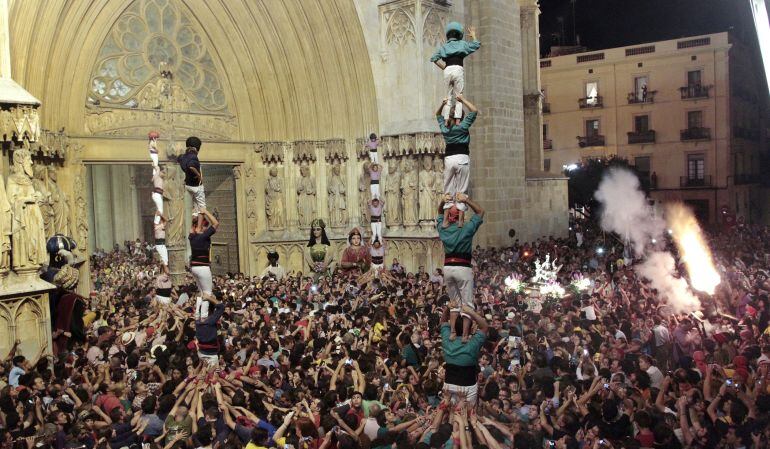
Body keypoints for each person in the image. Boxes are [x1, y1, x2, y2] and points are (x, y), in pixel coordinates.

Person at [437, 193, 484, 342]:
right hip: (463, 267)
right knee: (467, 304)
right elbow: (480, 212)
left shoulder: (443, 229)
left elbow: (439, 214)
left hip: (448, 268)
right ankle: (464, 335)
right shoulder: (466, 228)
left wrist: (442, 202)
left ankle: (452, 332)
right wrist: (466, 200)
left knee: (455, 302)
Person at [436, 94, 479, 228]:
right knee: (462, 189)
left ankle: (445, 220)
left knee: (448, 189)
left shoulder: (445, 128)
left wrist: (443, 104)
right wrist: (462, 99)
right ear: (460, 117)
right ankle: (460, 220)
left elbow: (437, 115)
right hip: (462, 158)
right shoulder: (463, 126)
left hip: (449, 159)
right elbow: (475, 110)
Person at [430, 22, 480, 122]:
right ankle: (457, 120)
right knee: (459, 95)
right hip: (458, 69)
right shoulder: (462, 44)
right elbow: (476, 45)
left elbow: (433, 59)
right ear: (459, 34)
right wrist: (473, 34)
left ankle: (446, 119)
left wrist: (444, 67)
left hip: (447, 70)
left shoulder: (444, 47)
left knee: (447, 96)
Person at [440, 305, 488, 405]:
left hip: (449, 385)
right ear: (469, 329)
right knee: (467, 416)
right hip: (467, 387)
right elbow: (484, 327)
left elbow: (443, 320)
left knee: (450, 417)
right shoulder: (473, 344)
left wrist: (449, 307)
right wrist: (471, 312)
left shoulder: (447, 339)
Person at [189, 208, 219, 319]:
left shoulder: (192, 237)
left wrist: (197, 216)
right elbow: (216, 223)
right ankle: (204, 316)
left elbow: (194, 227)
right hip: (202, 267)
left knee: (201, 292)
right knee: (207, 293)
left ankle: (197, 314)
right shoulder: (203, 236)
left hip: (194, 267)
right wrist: (205, 211)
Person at [178, 136, 206, 230]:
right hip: (196, 186)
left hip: (188, 185)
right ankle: (198, 227)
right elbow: (191, 166)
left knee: (194, 204)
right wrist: (199, 176)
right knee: (202, 206)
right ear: (196, 148)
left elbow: (179, 158)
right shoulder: (193, 156)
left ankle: (192, 222)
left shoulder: (183, 157)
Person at [195, 292, 225, 367]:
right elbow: (221, 307)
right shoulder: (210, 320)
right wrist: (209, 298)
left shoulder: (197, 319)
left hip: (201, 353)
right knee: (212, 377)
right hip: (211, 356)